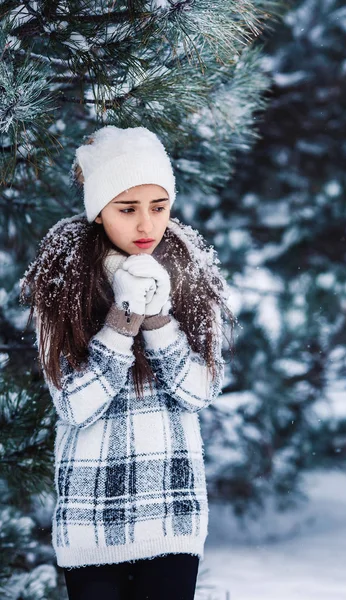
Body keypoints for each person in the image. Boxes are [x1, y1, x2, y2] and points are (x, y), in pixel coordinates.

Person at [20, 125, 236, 600]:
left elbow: (198, 391)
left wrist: (158, 317)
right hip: (91, 515)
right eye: (127, 209)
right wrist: (121, 319)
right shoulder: (64, 281)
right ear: (99, 211)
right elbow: (75, 404)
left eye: (158, 207)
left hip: (172, 512)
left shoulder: (191, 272)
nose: (146, 226)